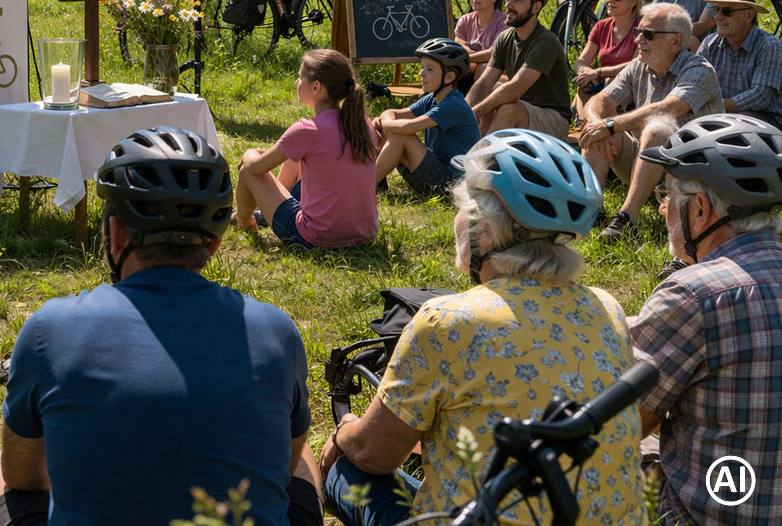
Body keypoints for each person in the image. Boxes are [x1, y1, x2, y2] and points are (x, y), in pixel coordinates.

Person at [0, 126, 321, 526]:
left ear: (116, 236)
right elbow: (283, 467)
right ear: (214, 244)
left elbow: (22, 476)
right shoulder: (277, 330)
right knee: (304, 452)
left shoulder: (50, 328)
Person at [320, 129, 647, 526]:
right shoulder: (607, 307)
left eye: (462, 206)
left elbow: (374, 455)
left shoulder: (448, 321)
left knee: (344, 470)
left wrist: (343, 434)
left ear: (484, 231)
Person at [631, 114, 782, 524]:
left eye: (668, 195)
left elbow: (627, 424)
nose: (663, 208)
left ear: (700, 209)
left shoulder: (693, 294)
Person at [577, 3, 721, 240]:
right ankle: (589, 209)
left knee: (657, 127)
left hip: (691, 173)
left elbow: (667, 108)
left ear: (676, 41)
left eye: (648, 34)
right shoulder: (639, 66)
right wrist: (596, 122)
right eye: (637, 32)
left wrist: (609, 125)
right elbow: (599, 100)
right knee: (597, 129)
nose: (638, 40)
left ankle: (627, 218)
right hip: (648, 161)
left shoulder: (699, 69)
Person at [235, 48, 379, 248]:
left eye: (299, 77)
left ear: (316, 87)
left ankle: (244, 222)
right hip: (365, 234)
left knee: (247, 170)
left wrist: (249, 154)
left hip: (315, 239)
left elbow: (255, 169)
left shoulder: (306, 130)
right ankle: (271, 211)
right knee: (293, 157)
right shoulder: (363, 124)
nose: (296, 82)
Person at [465, 0, 571, 139]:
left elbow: (514, 89)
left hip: (553, 120)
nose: (508, 5)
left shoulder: (545, 42)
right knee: (492, 91)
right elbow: (483, 85)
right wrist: (461, 113)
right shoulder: (504, 38)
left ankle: (483, 160)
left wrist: (471, 114)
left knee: (509, 108)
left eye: (518, 0)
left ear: (536, 7)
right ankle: (472, 148)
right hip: (523, 110)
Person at [372, 38, 480, 196]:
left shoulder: (453, 105)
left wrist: (384, 122)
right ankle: (376, 183)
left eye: (430, 69)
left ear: (449, 77)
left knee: (401, 136)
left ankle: (363, 187)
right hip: (435, 175)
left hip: (453, 185)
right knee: (386, 130)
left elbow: (407, 127)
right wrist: (384, 122)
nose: (421, 74)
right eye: (422, 67)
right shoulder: (432, 98)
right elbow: (392, 112)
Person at [697, 0, 782, 129]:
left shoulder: (769, 46)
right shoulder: (709, 44)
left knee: (734, 126)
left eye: (727, 11)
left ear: (749, 15)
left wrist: (715, 107)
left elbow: (760, 96)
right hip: (720, 117)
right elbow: (694, 81)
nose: (718, 16)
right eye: (717, 9)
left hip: (766, 122)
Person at [572, 0, 643, 119]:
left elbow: (636, 65)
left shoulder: (642, 27)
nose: (609, 0)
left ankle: (596, 125)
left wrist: (598, 73)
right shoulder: (601, 26)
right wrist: (585, 72)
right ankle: (585, 124)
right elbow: (582, 60)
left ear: (633, 1)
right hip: (604, 81)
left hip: (633, 84)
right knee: (585, 84)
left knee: (611, 81)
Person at [453, 0, 505, 88]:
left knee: (483, 68)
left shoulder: (504, 22)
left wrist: (468, 58)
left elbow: (494, 54)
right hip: (467, 72)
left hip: (495, 76)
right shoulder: (465, 20)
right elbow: (459, 49)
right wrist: (482, 56)